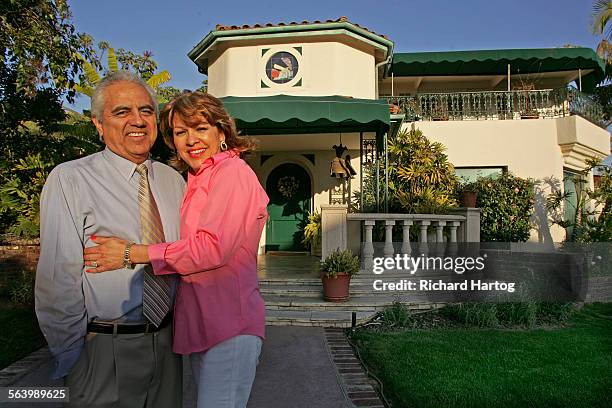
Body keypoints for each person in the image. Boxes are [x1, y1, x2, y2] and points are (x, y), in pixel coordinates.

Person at [83, 91, 269, 408]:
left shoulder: (232, 173)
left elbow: (212, 249)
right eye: (181, 132)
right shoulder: (197, 178)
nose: (190, 140)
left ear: (221, 131)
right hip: (204, 323)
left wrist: (131, 253)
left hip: (229, 326)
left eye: (200, 128)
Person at [35, 70, 185, 407]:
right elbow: (57, 279)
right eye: (122, 112)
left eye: (146, 111)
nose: (138, 120)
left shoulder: (173, 180)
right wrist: (74, 358)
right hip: (104, 349)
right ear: (99, 124)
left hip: (167, 345)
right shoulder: (71, 179)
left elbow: (182, 253)